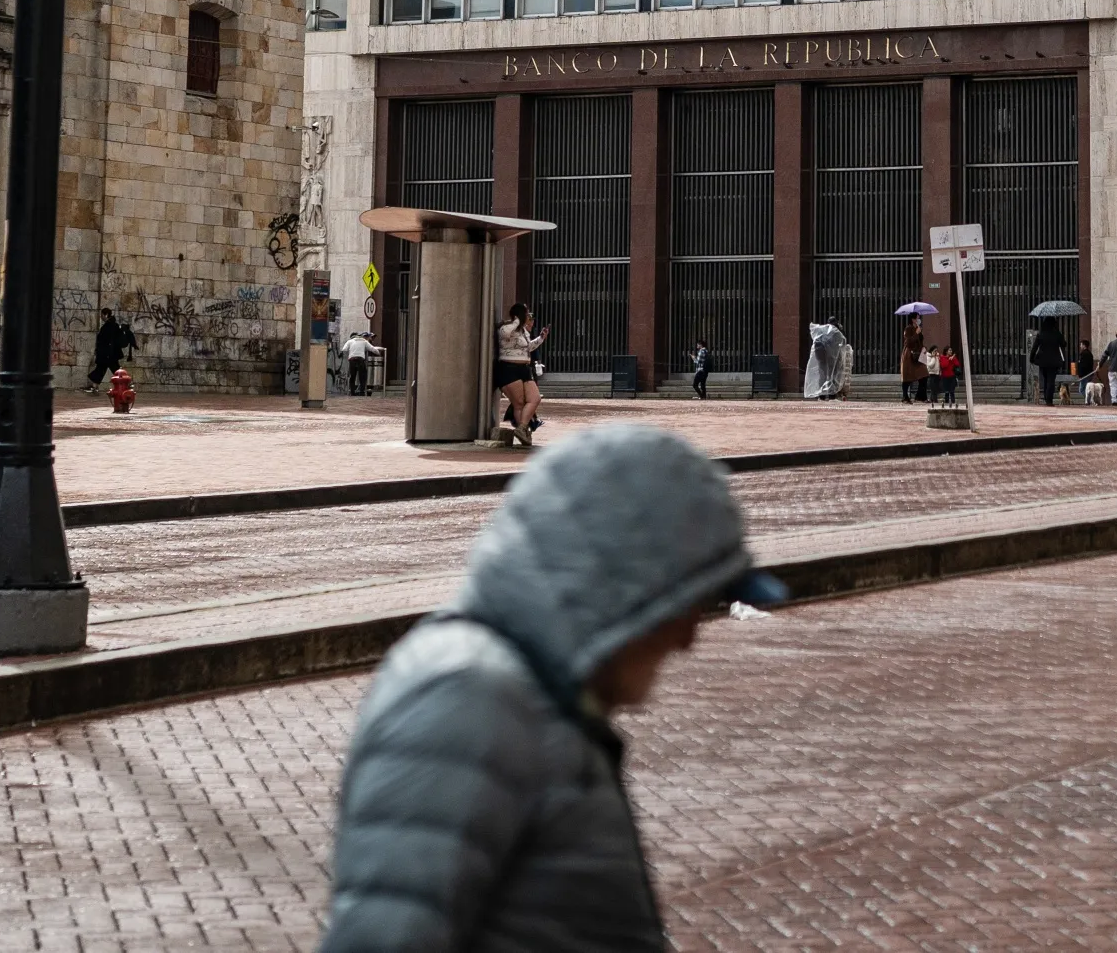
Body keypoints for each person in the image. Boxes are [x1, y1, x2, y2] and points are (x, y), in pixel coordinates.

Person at [318, 424, 784, 952]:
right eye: (688, 603)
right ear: (626, 582)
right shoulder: (468, 701)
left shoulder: (534, 696)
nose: (689, 638)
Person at [495, 303, 550, 445]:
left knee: (534, 398)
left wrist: (540, 339)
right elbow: (504, 334)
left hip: (524, 368)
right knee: (519, 403)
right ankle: (524, 433)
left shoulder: (523, 331)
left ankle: (522, 428)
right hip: (509, 368)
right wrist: (517, 321)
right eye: (526, 314)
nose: (528, 316)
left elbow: (527, 347)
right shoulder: (507, 327)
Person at [83, 308, 135, 393]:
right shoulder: (111, 325)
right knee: (103, 369)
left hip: (109, 354)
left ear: (106, 314)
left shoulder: (109, 326)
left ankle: (129, 382)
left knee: (113, 369)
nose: (101, 317)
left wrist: (105, 353)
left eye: (102, 315)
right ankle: (94, 386)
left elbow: (108, 341)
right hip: (109, 353)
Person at [804, 318, 852, 399]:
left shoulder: (822, 330)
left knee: (822, 375)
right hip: (832, 358)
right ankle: (831, 395)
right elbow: (841, 345)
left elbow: (817, 344)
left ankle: (822, 394)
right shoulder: (837, 332)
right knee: (833, 375)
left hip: (822, 357)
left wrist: (819, 357)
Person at [1029, 319, 1070, 406]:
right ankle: (1049, 400)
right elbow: (1064, 344)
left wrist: (1031, 358)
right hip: (1054, 361)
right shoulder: (1057, 334)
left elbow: (1034, 347)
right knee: (1051, 380)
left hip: (1043, 361)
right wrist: (1059, 334)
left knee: (1045, 379)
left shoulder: (1041, 334)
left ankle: (1046, 398)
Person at [900, 316, 930, 404]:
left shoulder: (918, 328)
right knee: (907, 378)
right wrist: (916, 333)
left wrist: (920, 333)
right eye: (917, 317)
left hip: (918, 355)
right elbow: (908, 342)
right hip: (909, 356)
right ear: (913, 319)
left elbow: (920, 341)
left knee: (924, 374)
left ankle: (920, 396)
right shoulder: (908, 329)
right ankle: (905, 397)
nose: (919, 319)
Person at [341, 331, 377, 396]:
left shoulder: (350, 341)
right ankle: (362, 392)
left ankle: (352, 392)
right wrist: (378, 353)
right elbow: (372, 349)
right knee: (362, 376)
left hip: (352, 359)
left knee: (352, 376)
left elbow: (344, 349)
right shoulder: (364, 341)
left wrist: (350, 352)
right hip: (360, 359)